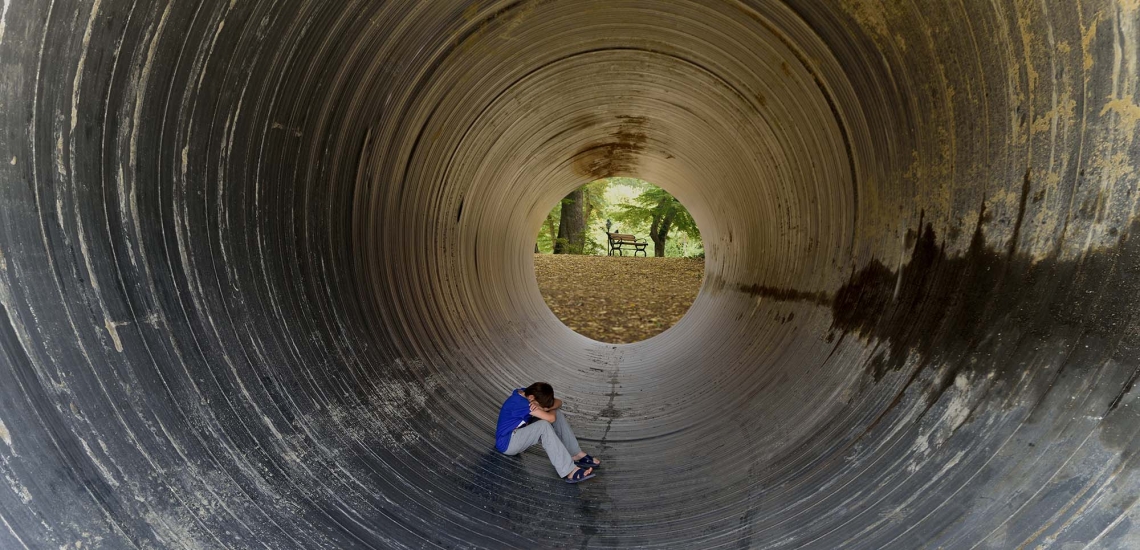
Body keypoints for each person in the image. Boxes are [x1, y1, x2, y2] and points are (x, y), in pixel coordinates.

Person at [494, 382, 602, 483]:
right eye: (539, 405)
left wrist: (546, 408)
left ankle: (575, 454)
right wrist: (548, 409)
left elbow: (559, 402)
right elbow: (550, 418)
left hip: (520, 432)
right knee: (544, 425)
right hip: (508, 443)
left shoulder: (526, 393)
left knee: (556, 414)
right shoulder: (520, 403)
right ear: (531, 398)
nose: (542, 408)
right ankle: (569, 471)